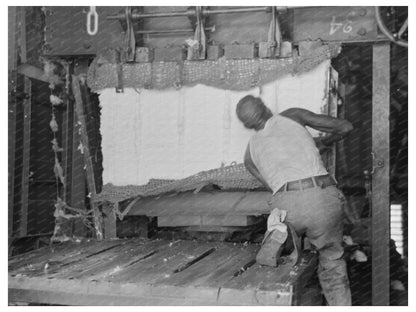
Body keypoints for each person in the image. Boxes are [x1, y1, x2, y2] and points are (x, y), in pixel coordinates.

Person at [236, 95, 353, 306]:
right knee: (332, 261)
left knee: (283, 258)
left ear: (246, 125)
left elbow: (273, 185)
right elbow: (345, 127)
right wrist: (324, 142)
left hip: (287, 207)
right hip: (321, 198)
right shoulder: (293, 116)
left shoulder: (249, 152)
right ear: (265, 106)